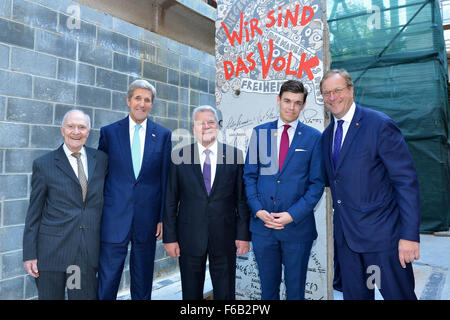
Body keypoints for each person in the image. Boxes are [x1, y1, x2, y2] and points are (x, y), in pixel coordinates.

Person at [321, 69, 420, 300]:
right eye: (327, 93)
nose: (332, 97)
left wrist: (409, 236)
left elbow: (406, 182)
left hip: (383, 241)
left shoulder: (379, 125)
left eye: (338, 90)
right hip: (348, 244)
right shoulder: (327, 136)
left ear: (351, 90)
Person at [243, 80, 325, 300]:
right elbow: (249, 176)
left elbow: (316, 184)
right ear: (278, 100)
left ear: (304, 104)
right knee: (268, 292)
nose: (291, 107)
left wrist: (292, 215)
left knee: (295, 292)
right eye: (287, 101)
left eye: (297, 103)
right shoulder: (260, 133)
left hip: (297, 230)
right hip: (263, 227)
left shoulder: (314, 137)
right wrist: (258, 210)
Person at [163, 105, 251, 300]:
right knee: (191, 294)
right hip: (189, 238)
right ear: (193, 128)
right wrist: (169, 238)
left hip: (225, 237)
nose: (206, 126)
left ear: (218, 126)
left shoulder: (235, 156)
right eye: (200, 123)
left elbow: (241, 200)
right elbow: (170, 201)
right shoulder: (179, 157)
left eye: (210, 121)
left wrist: (243, 235)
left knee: (226, 293)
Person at [97, 79, 171, 300]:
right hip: (114, 217)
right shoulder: (109, 133)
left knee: (143, 278)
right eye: (138, 98)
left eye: (147, 100)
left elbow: (165, 179)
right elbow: (101, 176)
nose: (142, 103)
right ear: (128, 100)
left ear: (151, 104)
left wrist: (161, 218)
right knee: (108, 278)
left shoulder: (163, 135)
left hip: (147, 220)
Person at [23, 110, 108, 300]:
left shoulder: (101, 160)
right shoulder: (44, 164)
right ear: (62, 130)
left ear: (89, 131)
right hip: (51, 254)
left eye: (82, 127)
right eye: (70, 126)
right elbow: (33, 213)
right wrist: (29, 254)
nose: (76, 132)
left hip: (85, 256)